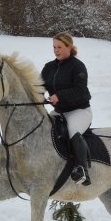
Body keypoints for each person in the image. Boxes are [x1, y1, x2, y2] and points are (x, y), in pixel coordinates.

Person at [41, 32, 92, 186]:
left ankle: (82, 170)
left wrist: (59, 96)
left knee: (71, 130)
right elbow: (38, 86)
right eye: (54, 47)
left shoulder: (77, 66)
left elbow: (82, 91)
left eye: (60, 47)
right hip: (59, 112)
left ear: (69, 47)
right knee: (42, 129)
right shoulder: (49, 67)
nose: (56, 50)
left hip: (79, 111)